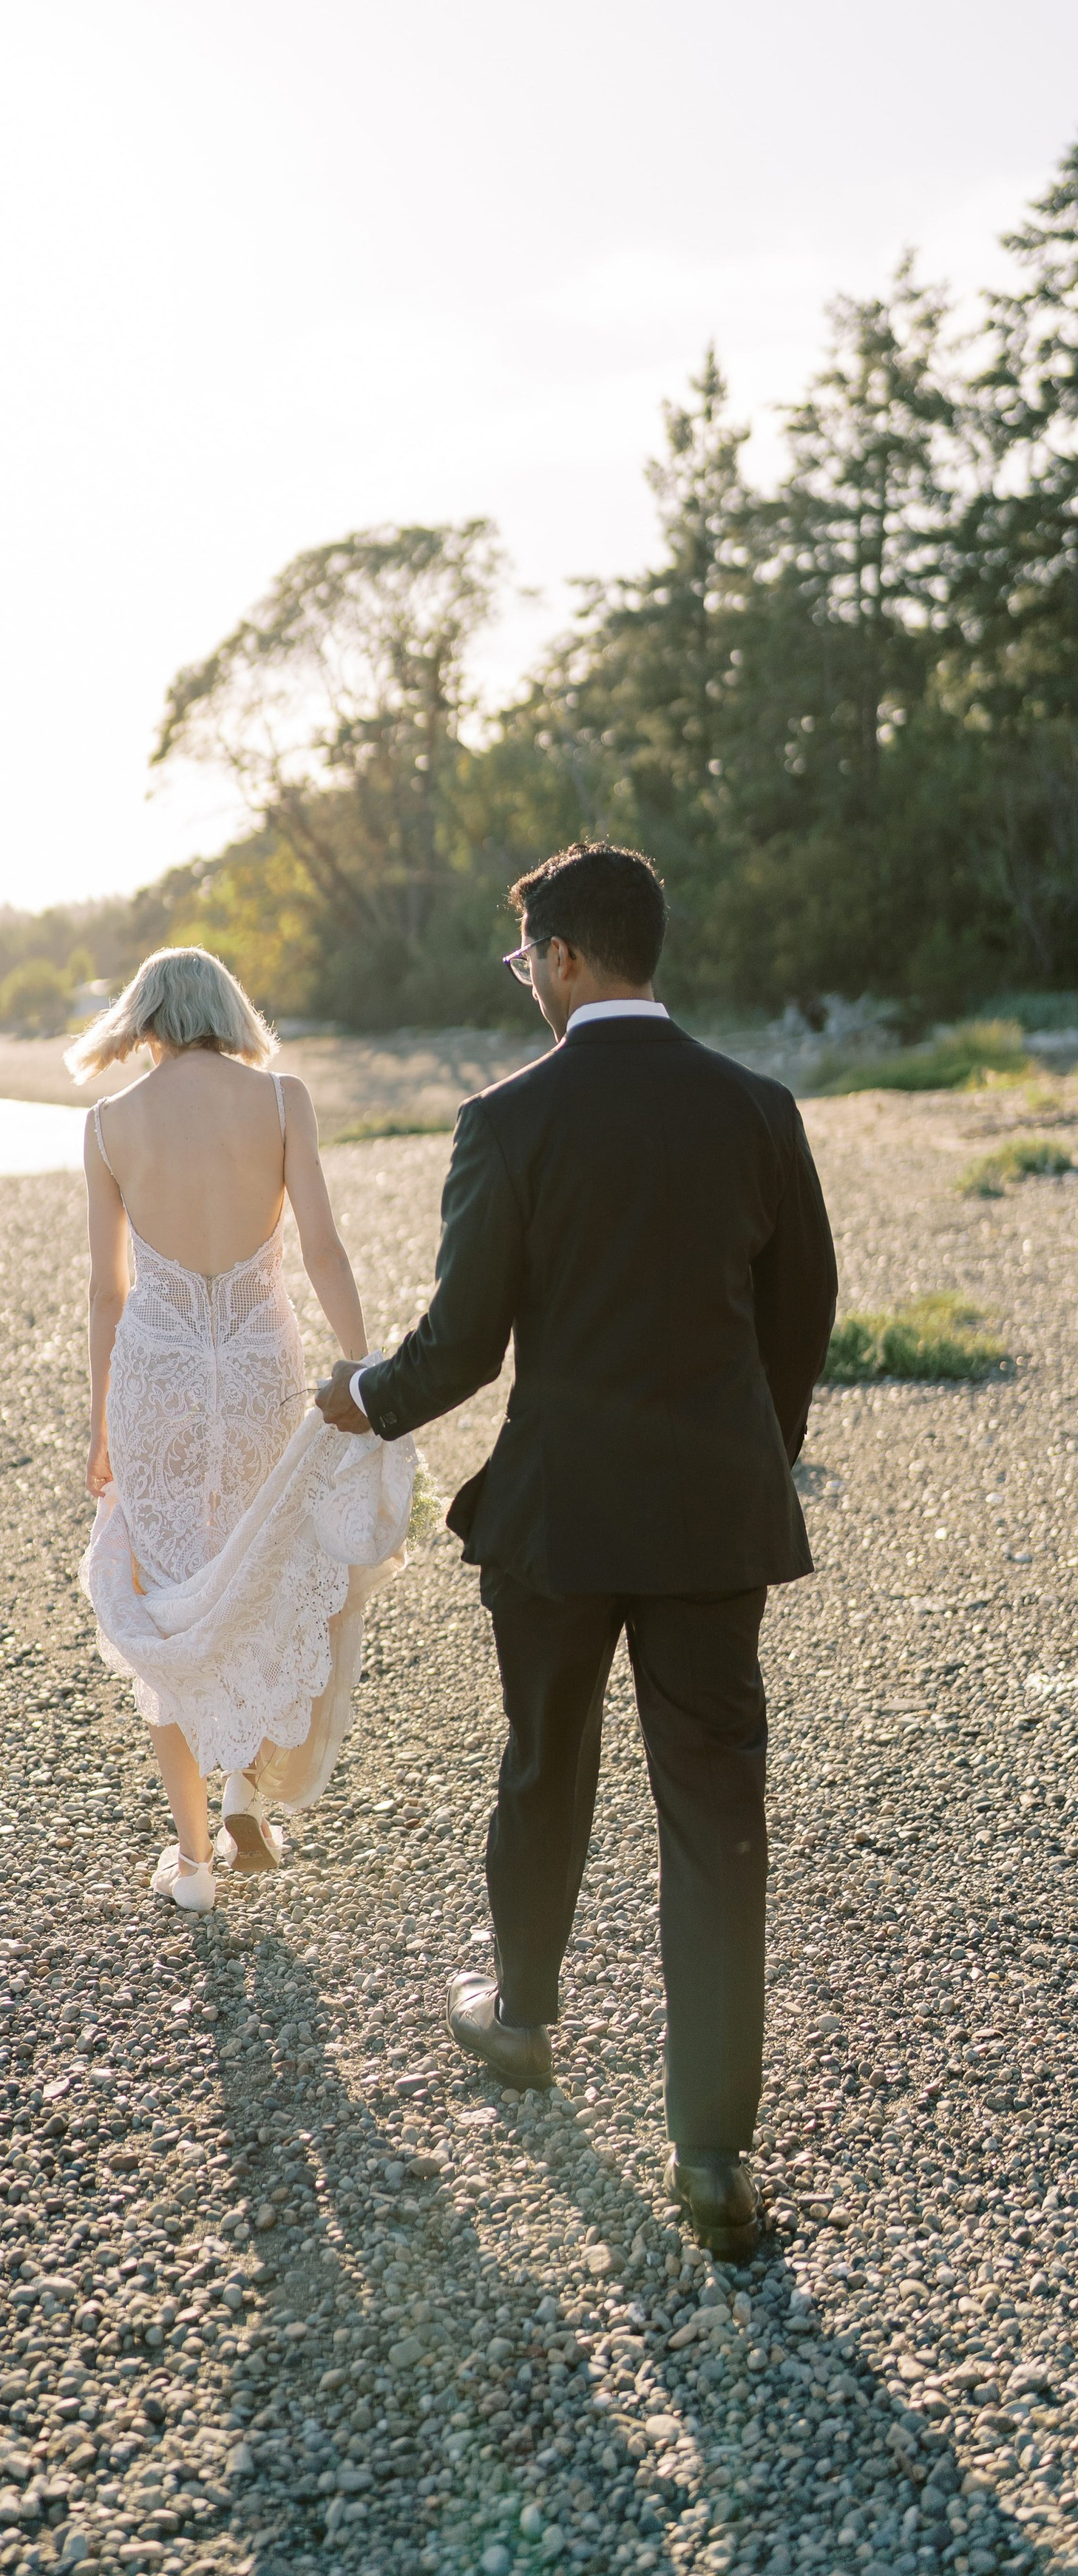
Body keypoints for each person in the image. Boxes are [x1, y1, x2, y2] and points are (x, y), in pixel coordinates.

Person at [316, 844, 836, 2259]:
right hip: (715, 1521)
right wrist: (754, 1451)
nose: (525, 981)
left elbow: (465, 1345)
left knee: (547, 1763)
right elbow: (805, 1310)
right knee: (717, 1819)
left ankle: (526, 2022)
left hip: (556, 1520)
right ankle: (714, 2158)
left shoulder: (508, 1121)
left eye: (523, 960)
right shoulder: (758, 1108)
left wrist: (365, 1397)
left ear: (560, 958)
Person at [72, 947, 415, 1911]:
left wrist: (101, 1422)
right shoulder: (279, 1101)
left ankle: (191, 1861)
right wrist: (363, 1367)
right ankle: (241, 1797)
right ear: (228, 1008)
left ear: (146, 1022)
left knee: (169, 1597)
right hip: (263, 1373)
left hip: (159, 1380)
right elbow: (321, 1245)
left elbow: (110, 1290)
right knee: (255, 1576)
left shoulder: (109, 1125)